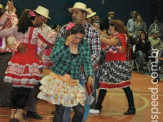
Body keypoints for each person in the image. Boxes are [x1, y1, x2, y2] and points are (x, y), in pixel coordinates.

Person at [0, 10, 55, 122]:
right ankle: (19, 114)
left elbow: (1, 33)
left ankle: (12, 114)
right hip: (30, 62)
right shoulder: (36, 31)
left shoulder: (15, 29)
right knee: (26, 89)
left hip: (18, 61)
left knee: (16, 88)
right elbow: (49, 41)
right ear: (32, 19)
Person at [37, 23, 93, 122]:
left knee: (80, 110)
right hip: (58, 80)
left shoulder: (85, 45)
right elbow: (53, 57)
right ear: (70, 33)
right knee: (60, 110)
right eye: (75, 37)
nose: (77, 41)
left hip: (73, 82)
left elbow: (87, 63)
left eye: (80, 38)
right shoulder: (61, 41)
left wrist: (90, 76)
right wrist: (65, 45)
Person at [57, 2, 100, 122]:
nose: (73, 15)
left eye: (77, 13)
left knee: (85, 103)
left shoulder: (93, 32)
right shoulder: (64, 29)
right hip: (67, 74)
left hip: (87, 75)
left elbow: (96, 54)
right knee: (65, 103)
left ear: (85, 14)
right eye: (72, 13)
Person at [90, 20, 136, 115]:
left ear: (114, 27)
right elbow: (107, 36)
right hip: (112, 64)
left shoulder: (119, 37)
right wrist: (96, 29)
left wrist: (95, 36)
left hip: (118, 65)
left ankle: (132, 107)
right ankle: (98, 107)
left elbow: (109, 41)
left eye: (110, 28)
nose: (108, 29)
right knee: (104, 85)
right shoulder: (118, 35)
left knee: (125, 86)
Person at [24, 6, 57, 120]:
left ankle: (30, 109)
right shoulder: (25, 26)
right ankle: (20, 110)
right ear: (36, 16)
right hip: (24, 61)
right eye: (42, 18)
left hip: (38, 62)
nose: (43, 21)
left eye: (45, 19)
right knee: (23, 86)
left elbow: (54, 38)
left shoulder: (47, 29)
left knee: (35, 86)